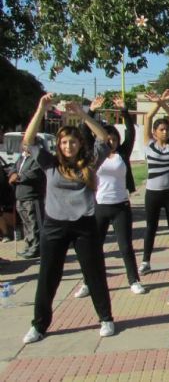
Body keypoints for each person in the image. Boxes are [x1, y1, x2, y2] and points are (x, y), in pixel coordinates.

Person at [22, 94, 115, 343]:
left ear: (78, 144)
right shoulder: (50, 164)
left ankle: (106, 318)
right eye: (64, 143)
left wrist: (84, 115)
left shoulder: (90, 163)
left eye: (72, 142)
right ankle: (39, 325)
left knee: (94, 273)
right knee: (48, 276)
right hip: (54, 226)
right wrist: (41, 109)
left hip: (84, 226)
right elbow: (29, 141)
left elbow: (104, 139)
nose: (68, 146)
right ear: (59, 145)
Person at [74, 96, 146, 297]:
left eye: (114, 138)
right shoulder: (94, 155)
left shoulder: (123, 153)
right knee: (94, 248)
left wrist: (124, 111)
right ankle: (89, 283)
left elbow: (131, 132)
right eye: (108, 138)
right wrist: (91, 112)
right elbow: (84, 134)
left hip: (121, 207)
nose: (111, 141)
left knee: (125, 247)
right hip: (98, 206)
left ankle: (134, 281)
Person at [140, 90, 169, 275]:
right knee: (151, 227)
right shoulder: (148, 144)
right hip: (153, 193)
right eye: (161, 129)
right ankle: (146, 261)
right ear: (155, 132)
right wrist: (158, 102)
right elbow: (148, 117)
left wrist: (164, 104)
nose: (165, 131)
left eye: (167, 129)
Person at [9, 141, 46, 258]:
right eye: (23, 144)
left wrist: (18, 177)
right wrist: (12, 174)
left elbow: (34, 174)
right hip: (20, 196)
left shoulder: (37, 159)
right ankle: (29, 244)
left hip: (32, 197)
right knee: (26, 224)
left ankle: (37, 247)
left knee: (34, 223)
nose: (25, 147)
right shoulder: (21, 158)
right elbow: (13, 170)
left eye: (27, 144)